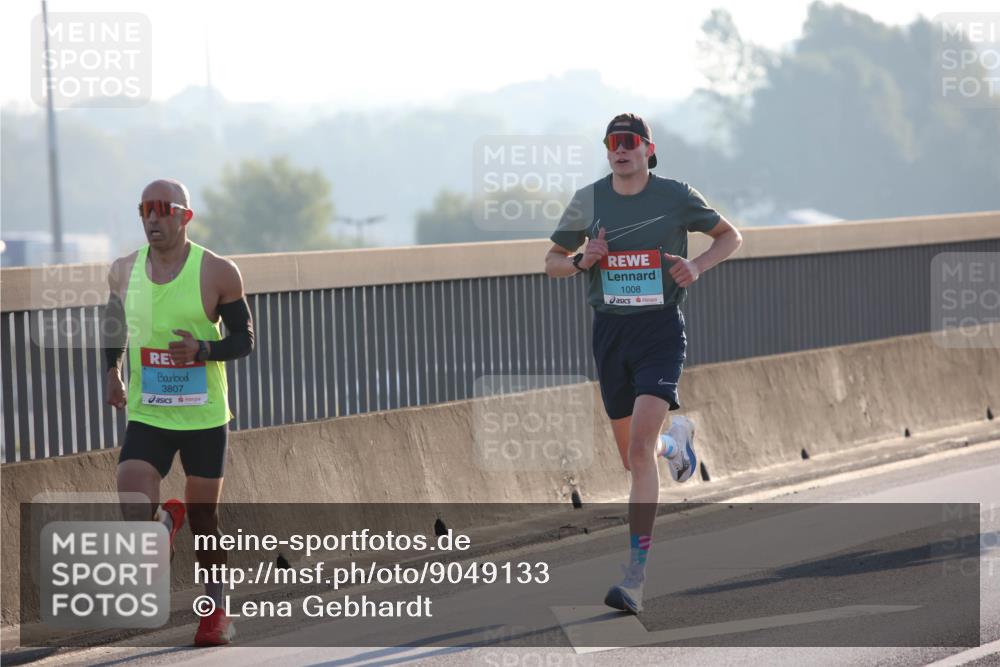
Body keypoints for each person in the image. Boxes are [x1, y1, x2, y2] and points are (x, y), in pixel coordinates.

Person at [544, 114, 742, 614]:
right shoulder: (588, 201)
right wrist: (582, 259)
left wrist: (696, 265)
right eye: (612, 142)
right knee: (634, 458)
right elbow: (551, 261)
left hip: (658, 330)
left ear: (648, 149)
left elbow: (730, 236)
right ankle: (677, 443)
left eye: (630, 142)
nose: (620, 149)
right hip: (610, 334)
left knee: (637, 447)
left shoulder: (675, 196)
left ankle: (635, 576)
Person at [103, 178, 254, 645]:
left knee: (205, 520)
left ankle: (214, 614)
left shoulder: (218, 272)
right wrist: (112, 370)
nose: (152, 218)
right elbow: (113, 327)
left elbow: (244, 340)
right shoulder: (123, 271)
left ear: (185, 216)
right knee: (132, 504)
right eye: (144, 210)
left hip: (204, 418)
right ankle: (163, 523)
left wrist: (204, 349)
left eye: (162, 209)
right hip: (149, 413)